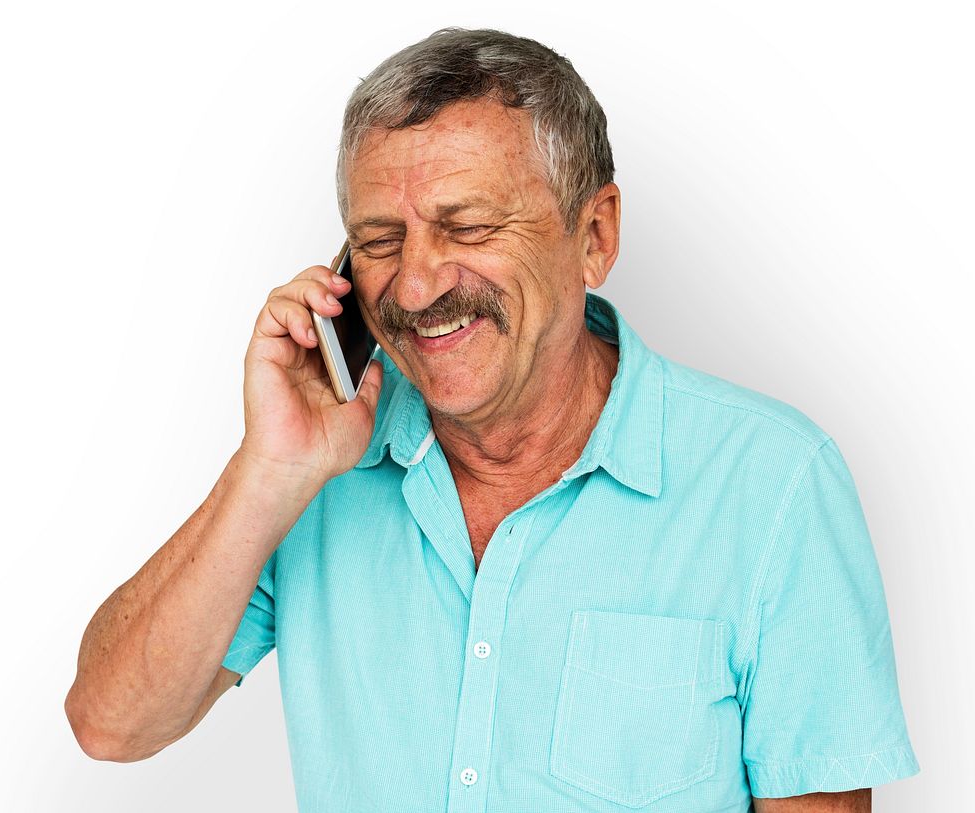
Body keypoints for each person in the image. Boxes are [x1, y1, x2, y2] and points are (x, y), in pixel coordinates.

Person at [65, 27, 919, 812]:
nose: (415, 285)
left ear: (595, 235)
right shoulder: (314, 475)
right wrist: (269, 470)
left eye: (466, 225)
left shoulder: (772, 482)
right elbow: (111, 724)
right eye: (378, 239)